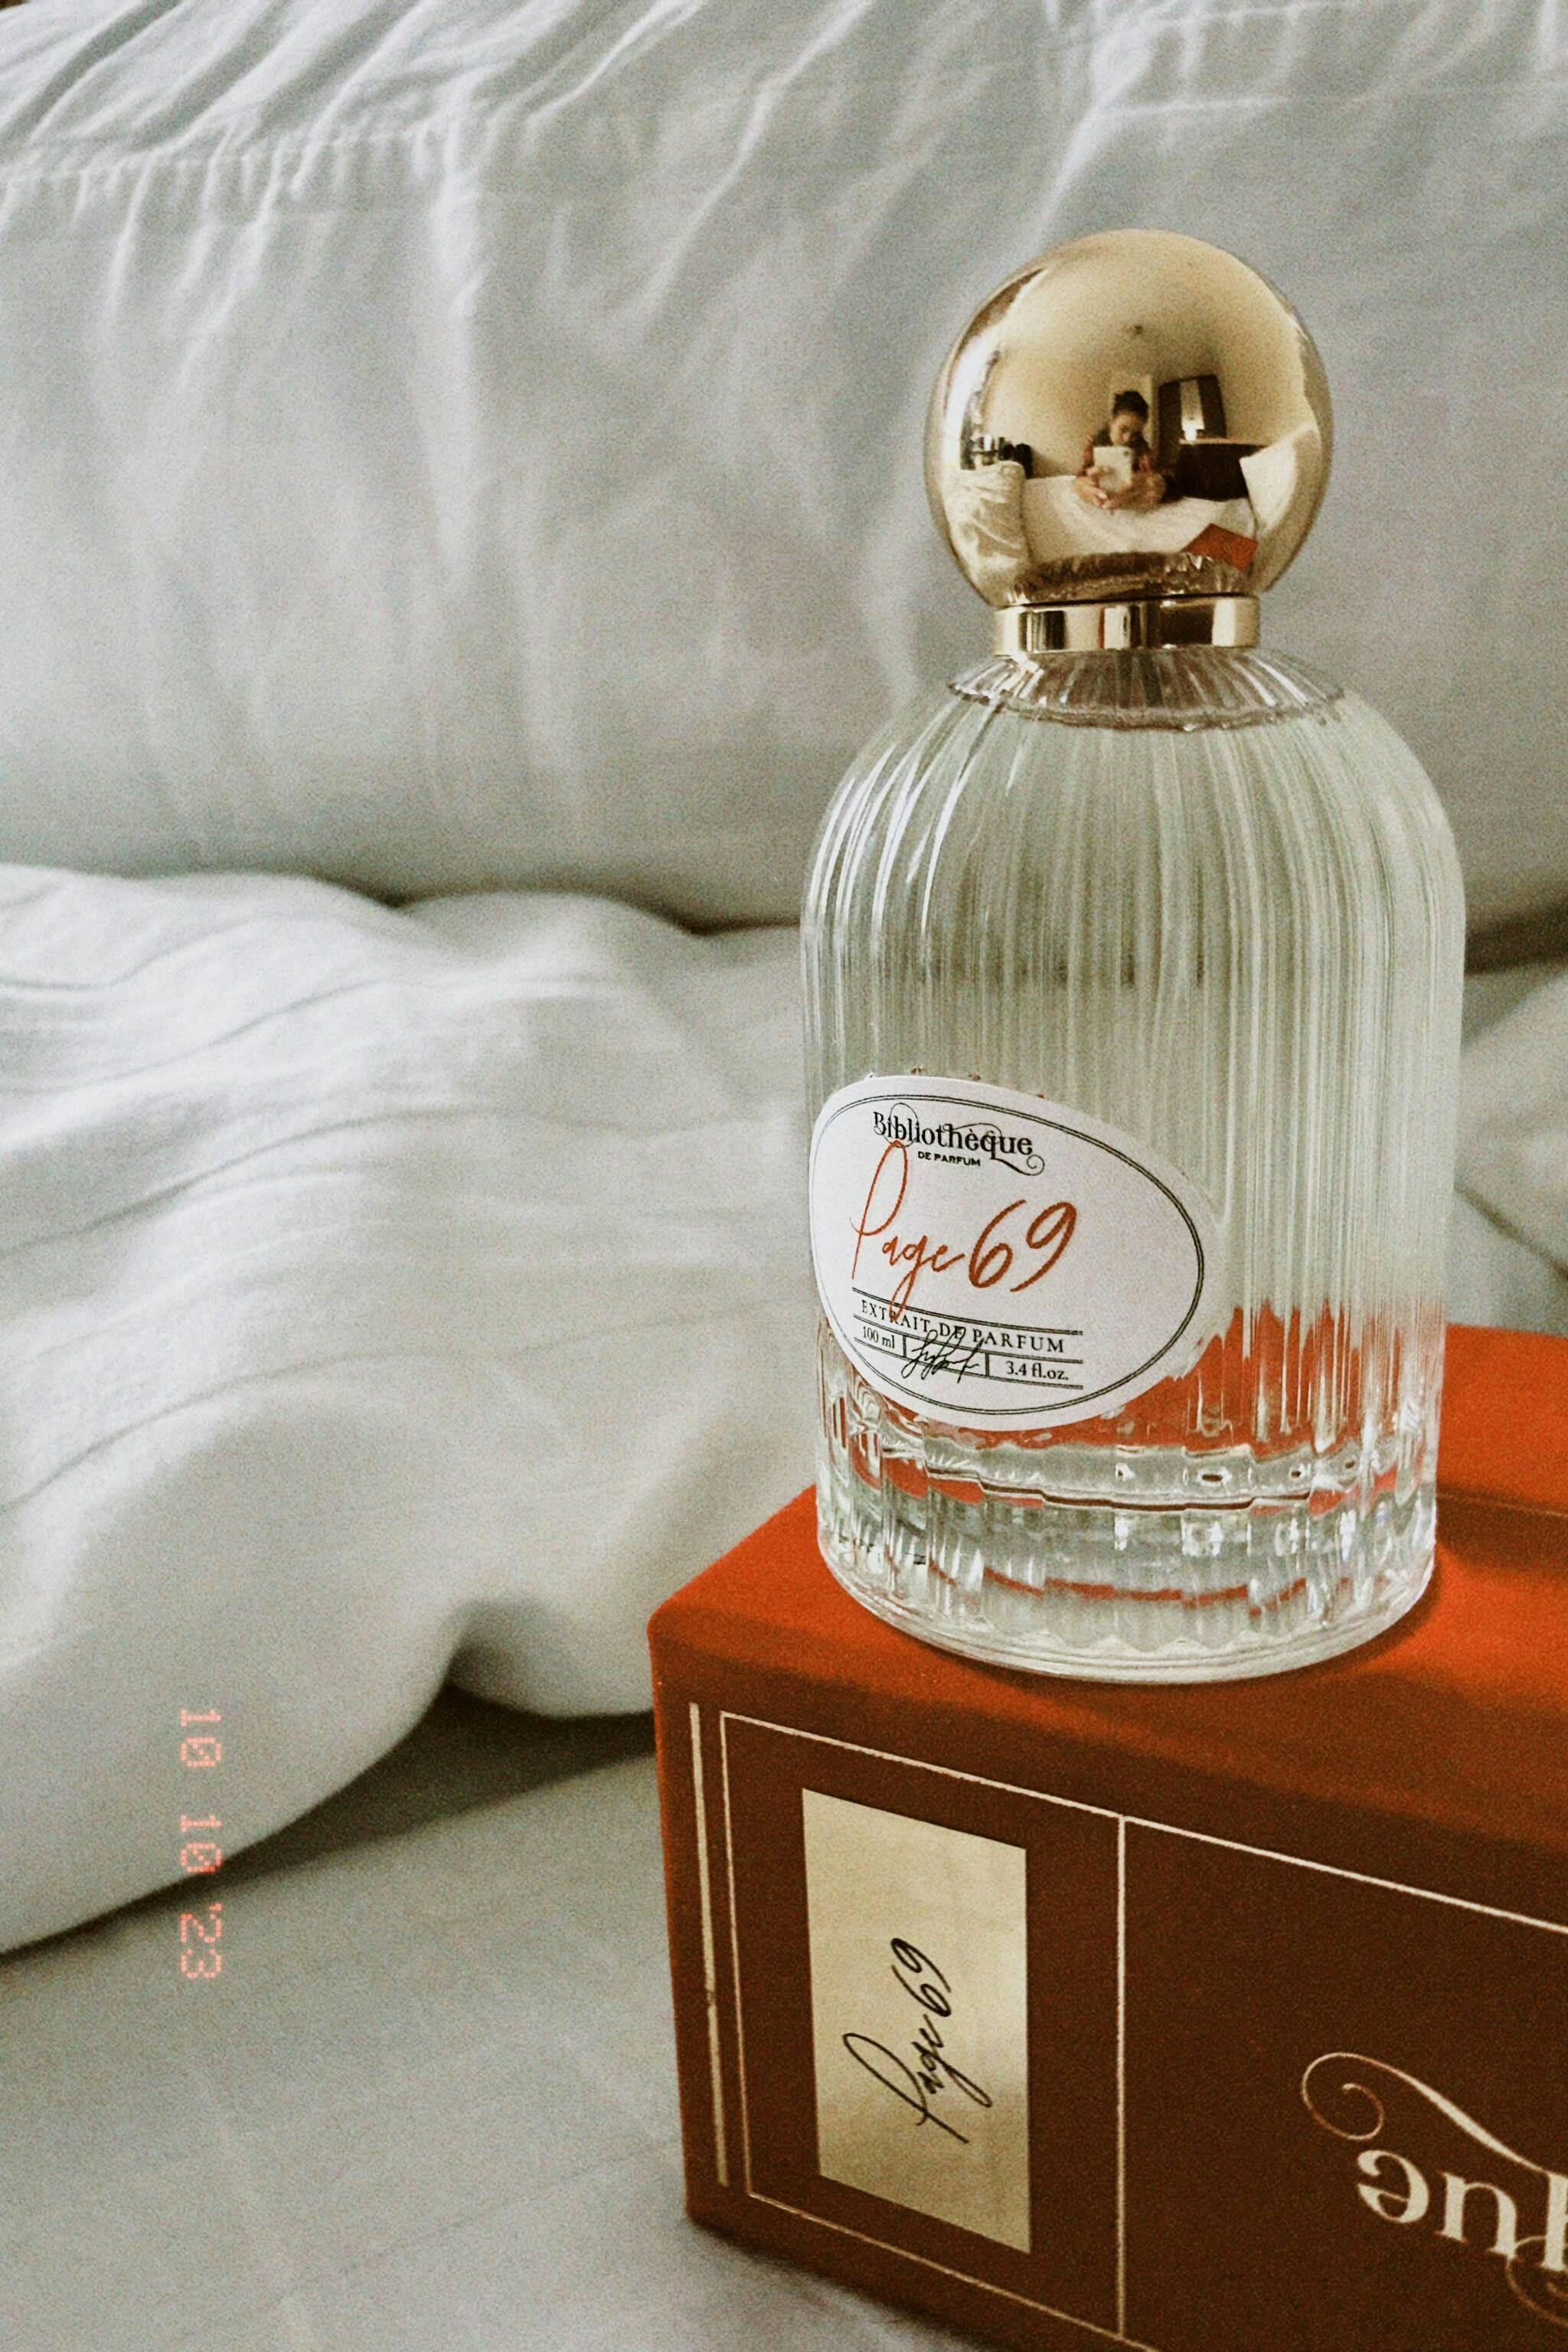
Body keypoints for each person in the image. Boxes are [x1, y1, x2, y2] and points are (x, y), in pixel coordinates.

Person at [1075, 390, 1165, 511]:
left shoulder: (1143, 451)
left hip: (1131, 505)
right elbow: (1082, 474)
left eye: (1136, 434)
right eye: (1123, 429)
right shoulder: (1094, 446)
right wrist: (1084, 482)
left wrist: (1155, 484)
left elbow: (1156, 477)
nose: (1128, 439)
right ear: (1111, 422)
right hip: (1100, 503)